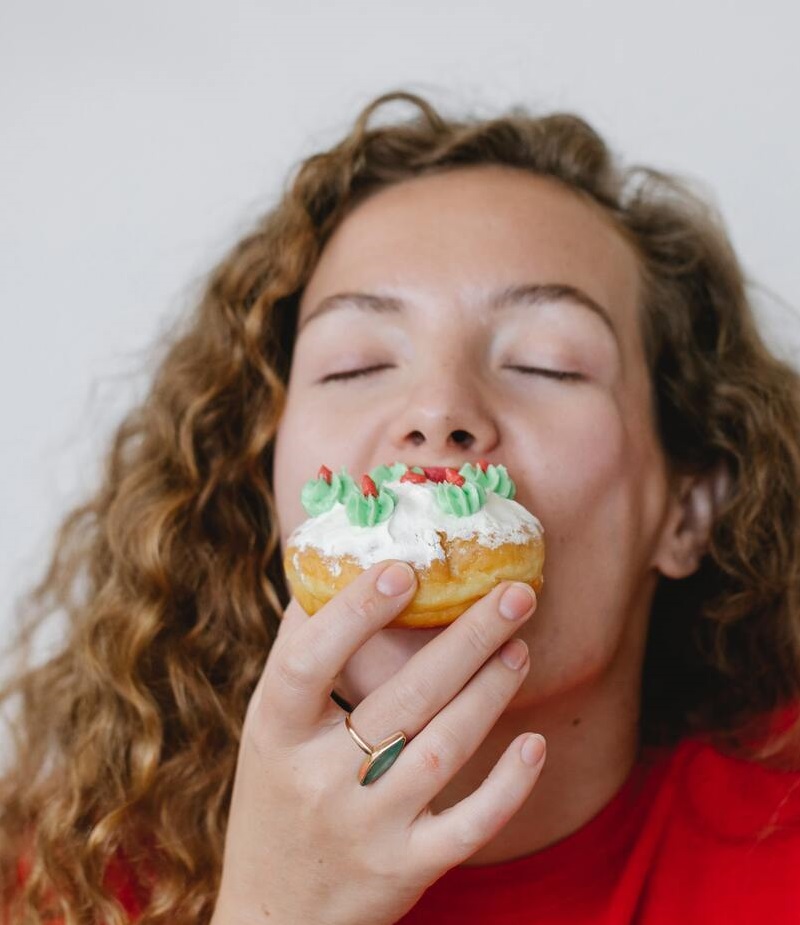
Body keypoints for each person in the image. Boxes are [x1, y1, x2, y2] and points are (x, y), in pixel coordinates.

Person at [2, 90, 800, 925]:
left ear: (689, 509)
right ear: (259, 479)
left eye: (547, 363)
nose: (438, 408)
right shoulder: (66, 875)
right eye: (354, 364)